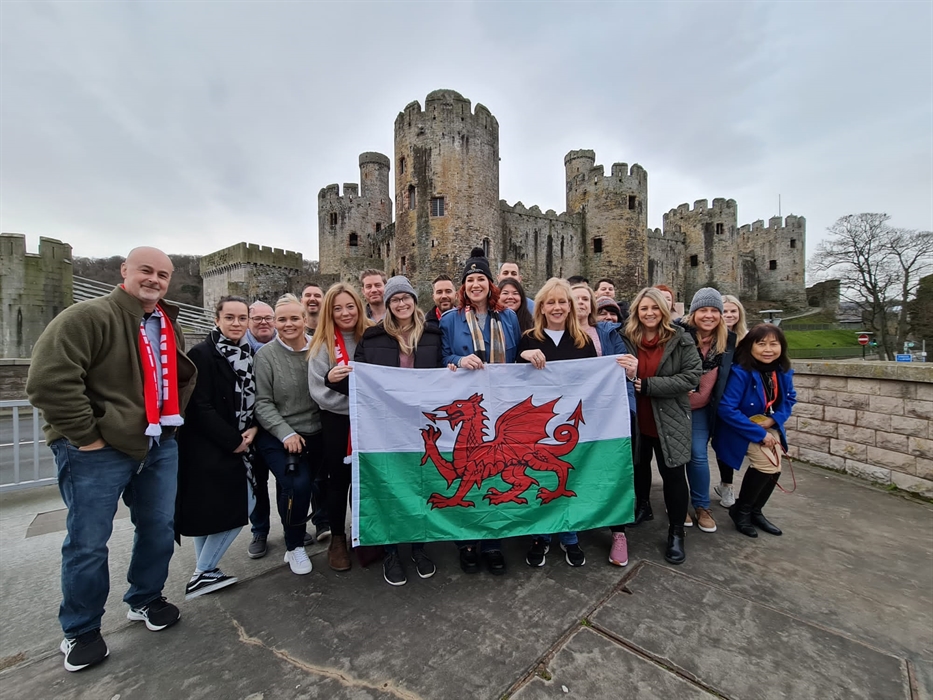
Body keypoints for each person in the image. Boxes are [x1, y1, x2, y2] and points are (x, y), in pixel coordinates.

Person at [26, 247, 197, 672]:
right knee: (88, 542)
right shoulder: (88, 317)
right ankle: (81, 630)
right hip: (98, 451)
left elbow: (174, 375)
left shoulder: (164, 321)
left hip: (158, 444)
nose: (154, 279)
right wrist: (87, 438)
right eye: (146, 270)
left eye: (163, 274)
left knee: (159, 528)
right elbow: (48, 380)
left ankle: (145, 598)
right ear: (125, 271)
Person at [353, 276, 444, 585]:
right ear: (388, 305)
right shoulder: (373, 337)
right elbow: (359, 377)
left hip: (422, 425)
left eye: (406, 297)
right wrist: (334, 378)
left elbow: (445, 370)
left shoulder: (433, 333)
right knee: (389, 486)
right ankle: (391, 551)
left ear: (414, 300)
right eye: (395, 300)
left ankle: (419, 546)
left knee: (421, 483)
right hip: (386, 425)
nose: (401, 303)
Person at [441, 247, 522, 575]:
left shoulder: (509, 317)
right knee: (466, 472)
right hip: (468, 409)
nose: (476, 284)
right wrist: (459, 361)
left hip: (500, 405)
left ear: (491, 284)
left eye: (481, 279)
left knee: (495, 474)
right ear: (464, 286)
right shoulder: (451, 320)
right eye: (470, 280)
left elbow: (516, 358)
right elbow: (441, 357)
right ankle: (467, 544)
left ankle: (493, 543)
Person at [176, 296, 257, 600]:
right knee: (242, 504)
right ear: (217, 320)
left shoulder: (247, 354)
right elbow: (200, 405)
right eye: (230, 318)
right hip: (210, 446)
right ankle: (203, 572)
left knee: (209, 511)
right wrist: (233, 440)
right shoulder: (202, 354)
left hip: (238, 442)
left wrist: (253, 429)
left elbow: (250, 401)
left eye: (241, 318)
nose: (236, 324)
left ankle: (205, 570)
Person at [517, 278, 597, 567]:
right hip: (538, 427)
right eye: (550, 302)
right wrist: (522, 355)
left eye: (562, 301)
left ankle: (570, 533)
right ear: (541, 307)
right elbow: (510, 384)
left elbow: (594, 381)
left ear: (571, 306)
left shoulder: (583, 340)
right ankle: (541, 534)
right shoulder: (529, 338)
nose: (557, 307)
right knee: (542, 477)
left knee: (569, 477)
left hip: (570, 426)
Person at [625, 287, 702, 565]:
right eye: (644, 308)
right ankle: (643, 507)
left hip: (668, 418)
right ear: (637, 311)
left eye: (655, 308)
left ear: (664, 310)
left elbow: (692, 377)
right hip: (637, 417)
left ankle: (676, 532)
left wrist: (649, 385)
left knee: (673, 476)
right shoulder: (626, 339)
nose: (649, 313)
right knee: (639, 466)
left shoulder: (680, 339)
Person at [253, 294, 323, 576]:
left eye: (295, 318)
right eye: (282, 319)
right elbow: (262, 402)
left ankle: (297, 529)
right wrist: (285, 433)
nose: (288, 324)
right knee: (298, 485)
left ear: (305, 320)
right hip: (279, 432)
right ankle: (294, 545)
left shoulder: (319, 349)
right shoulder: (265, 356)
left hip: (316, 431)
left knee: (306, 486)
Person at [570, 283, 639, 566]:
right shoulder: (559, 336)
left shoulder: (608, 333)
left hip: (608, 413)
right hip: (574, 418)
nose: (582, 303)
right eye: (576, 299)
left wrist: (632, 369)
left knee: (614, 471)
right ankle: (570, 530)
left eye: (586, 298)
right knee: (573, 472)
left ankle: (618, 532)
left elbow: (626, 370)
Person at [308, 283, 373, 571]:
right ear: (329, 312)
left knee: (368, 480)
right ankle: (337, 539)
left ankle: (368, 535)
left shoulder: (371, 337)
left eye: (350, 306)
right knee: (339, 481)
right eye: (337, 308)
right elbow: (318, 392)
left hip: (371, 420)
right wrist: (348, 396)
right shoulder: (322, 345)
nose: (345, 313)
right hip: (338, 421)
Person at [713, 325, 796, 538]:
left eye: (773, 344)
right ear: (750, 346)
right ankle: (741, 511)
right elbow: (726, 409)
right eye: (761, 344)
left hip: (766, 423)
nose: (768, 349)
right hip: (740, 427)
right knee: (765, 466)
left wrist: (773, 420)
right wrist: (759, 434)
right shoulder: (741, 372)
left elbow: (788, 399)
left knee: (775, 467)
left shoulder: (782, 371)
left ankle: (754, 511)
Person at [680, 288, 736, 535]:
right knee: (674, 458)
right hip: (675, 405)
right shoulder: (679, 335)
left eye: (714, 311)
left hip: (702, 409)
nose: (709, 315)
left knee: (698, 456)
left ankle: (702, 506)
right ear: (693, 313)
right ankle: (678, 503)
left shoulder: (727, 341)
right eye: (703, 310)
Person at [715, 294, 749, 507]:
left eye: (733, 311)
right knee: (717, 444)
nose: (729, 315)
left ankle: (727, 485)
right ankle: (725, 485)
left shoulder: (747, 339)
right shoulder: (714, 336)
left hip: (735, 398)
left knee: (729, 444)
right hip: (715, 395)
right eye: (724, 311)